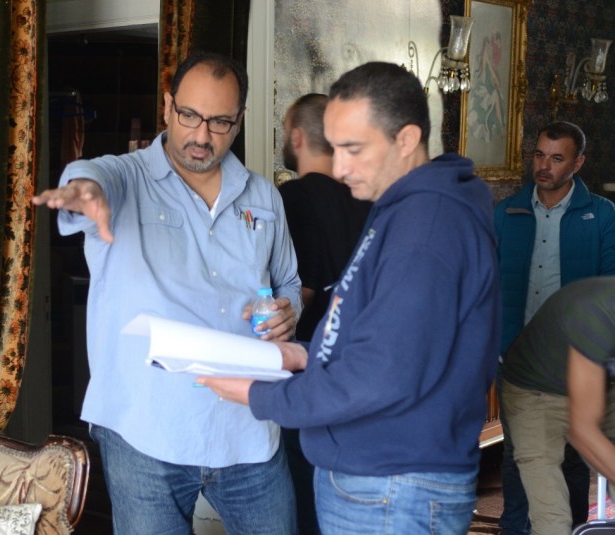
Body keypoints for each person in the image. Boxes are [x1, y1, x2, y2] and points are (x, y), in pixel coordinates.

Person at [198, 62, 500, 534]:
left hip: (393, 484)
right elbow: (385, 336)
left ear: (406, 139)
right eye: (335, 148)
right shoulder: (400, 209)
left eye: (354, 149)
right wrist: (306, 354)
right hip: (382, 476)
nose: (338, 169)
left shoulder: (427, 228)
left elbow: (382, 376)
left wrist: (258, 395)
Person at [32, 51, 302, 535]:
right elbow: (93, 177)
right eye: (189, 115)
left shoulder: (263, 197)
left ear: (239, 121)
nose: (202, 135)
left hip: (248, 428)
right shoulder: (127, 177)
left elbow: (288, 282)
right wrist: (84, 191)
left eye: (219, 122)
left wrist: (289, 311)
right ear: (167, 106)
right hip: (146, 429)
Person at [495, 120, 615, 534]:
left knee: (576, 458)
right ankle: (515, 529)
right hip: (519, 358)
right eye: (539, 155)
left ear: (577, 163)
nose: (544, 166)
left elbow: (608, 284)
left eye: (557, 158)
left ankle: (578, 527)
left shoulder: (602, 215)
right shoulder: (506, 213)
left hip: (584, 354)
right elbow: (489, 286)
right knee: (518, 459)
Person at [277, 92, 371, 535]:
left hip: (307, 363)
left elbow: (303, 290)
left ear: (297, 137)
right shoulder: (368, 197)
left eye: (284, 131)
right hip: (360, 362)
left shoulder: (292, 198)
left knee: (303, 489)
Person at [500, 276, 615, 535]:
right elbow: (582, 430)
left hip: (600, 383)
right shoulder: (597, 312)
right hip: (534, 391)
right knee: (552, 519)